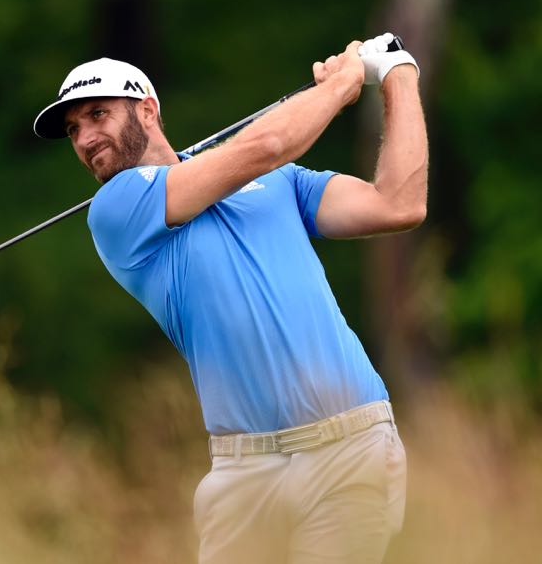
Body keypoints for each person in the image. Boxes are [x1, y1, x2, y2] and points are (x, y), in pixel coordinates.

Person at [33, 33, 427, 564]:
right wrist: (343, 85)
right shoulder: (116, 210)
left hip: (349, 446)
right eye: (74, 128)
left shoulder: (281, 182)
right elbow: (262, 147)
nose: (84, 138)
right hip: (245, 473)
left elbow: (398, 204)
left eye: (98, 115)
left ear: (147, 109)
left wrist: (397, 72)